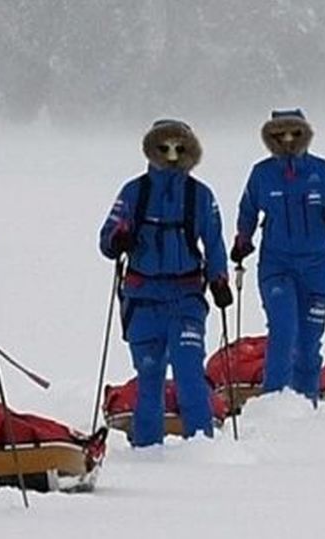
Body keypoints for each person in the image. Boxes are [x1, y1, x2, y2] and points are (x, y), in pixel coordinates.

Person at [98, 119, 232, 447]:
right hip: (142, 299)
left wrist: (219, 280)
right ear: (152, 150)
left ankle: (202, 448)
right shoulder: (134, 192)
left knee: (189, 374)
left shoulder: (200, 195)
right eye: (164, 147)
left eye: (179, 148)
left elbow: (214, 243)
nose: (172, 155)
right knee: (150, 378)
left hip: (186, 298)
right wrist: (119, 239)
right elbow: (106, 241)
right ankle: (147, 452)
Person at [232, 109, 325, 400]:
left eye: (294, 134)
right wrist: (242, 241)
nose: (287, 140)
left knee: (310, 342)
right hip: (277, 265)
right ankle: (275, 403)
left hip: (318, 267)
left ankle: (306, 403)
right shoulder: (262, 174)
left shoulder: (324, 172)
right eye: (279, 135)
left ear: (304, 135)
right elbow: (247, 210)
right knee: (284, 331)